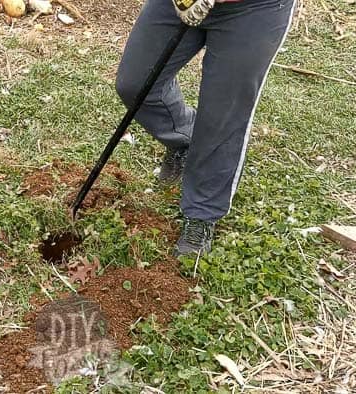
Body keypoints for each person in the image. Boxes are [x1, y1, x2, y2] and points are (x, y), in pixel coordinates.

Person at [115, 0, 296, 257]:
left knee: (222, 114)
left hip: (254, 9)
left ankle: (201, 213)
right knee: (136, 84)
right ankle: (184, 139)